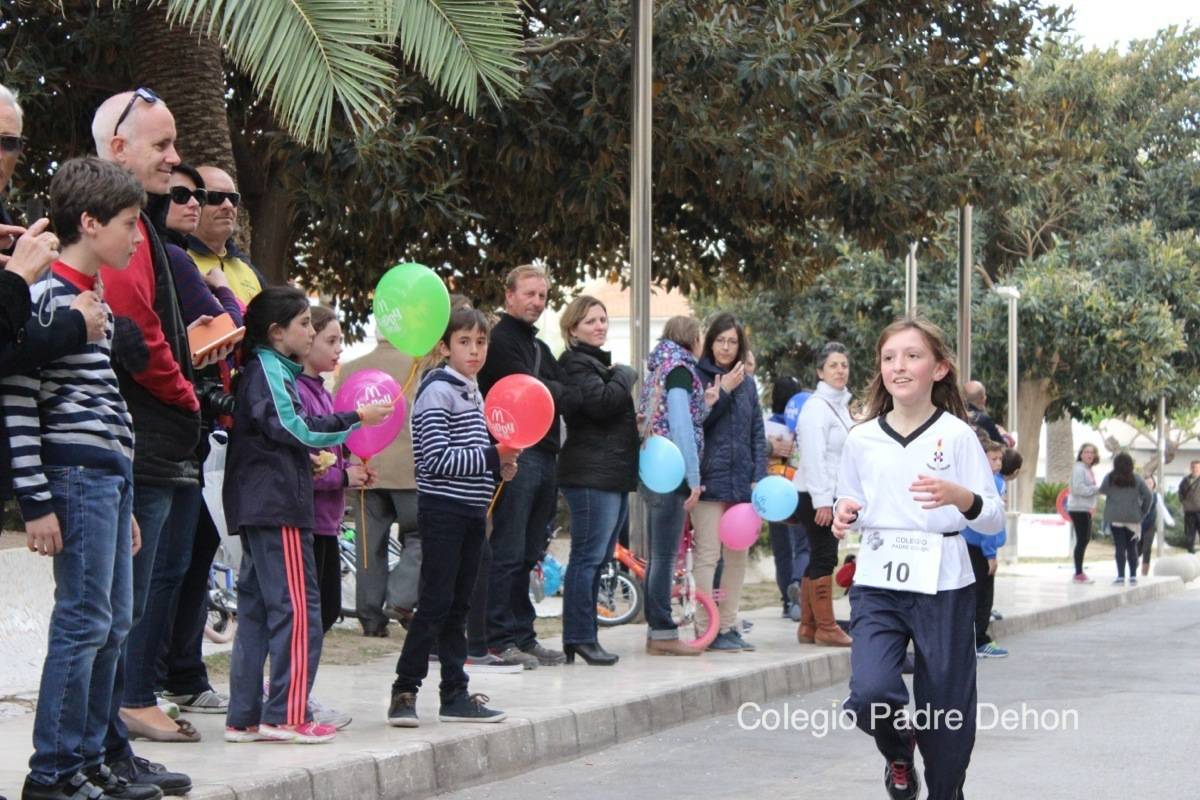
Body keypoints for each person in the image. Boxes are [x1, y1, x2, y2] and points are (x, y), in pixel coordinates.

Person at [3, 157, 158, 800]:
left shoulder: (98, 308)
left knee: (114, 621)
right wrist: (35, 498)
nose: (138, 238)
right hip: (73, 478)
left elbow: (107, 405)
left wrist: (124, 498)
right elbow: (16, 398)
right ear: (89, 223)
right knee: (83, 620)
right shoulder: (42, 297)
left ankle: (91, 758)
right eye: (129, 223)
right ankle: (54, 770)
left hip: (107, 479)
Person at [833, 316, 1004, 800]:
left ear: (940, 368)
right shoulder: (861, 438)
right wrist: (848, 512)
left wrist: (960, 496)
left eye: (912, 356)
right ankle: (898, 752)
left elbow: (992, 517)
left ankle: (945, 791)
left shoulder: (958, 435)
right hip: (878, 580)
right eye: (889, 358)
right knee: (869, 693)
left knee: (947, 715)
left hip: (944, 581)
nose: (899, 367)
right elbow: (851, 501)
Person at [222, 287, 391, 744]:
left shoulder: (269, 369)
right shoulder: (270, 371)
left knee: (258, 611)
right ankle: (287, 715)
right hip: (276, 505)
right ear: (277, 333)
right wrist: (355, 417)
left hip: (265, 503)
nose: (312, 332)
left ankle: (245, 717)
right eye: (304, 325)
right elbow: (292, 426)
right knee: (299, 613)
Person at [92, 87, 198, 795]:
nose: (174, 157)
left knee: (117, 610)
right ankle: (99, 746)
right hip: (140, 441)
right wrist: (186, 394)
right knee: (108, 615)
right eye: (161, 145)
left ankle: (108, 749)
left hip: (148, 440)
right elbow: (140, 334)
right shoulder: (117, 228)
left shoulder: (140, 225)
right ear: (119, 149)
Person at [388, 306, 517, 726]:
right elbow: (435, 459)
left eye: (481, 342)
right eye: (464, 342)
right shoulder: (437, 391)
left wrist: (500, 465)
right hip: (443, 509)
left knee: (459, 606)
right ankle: (404, 691)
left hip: (471, 511)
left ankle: (455, 693)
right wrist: (489, 456)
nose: (475, 350)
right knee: (435, 604)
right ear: (445, 347)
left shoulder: (472, 389)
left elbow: (475, 455)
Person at [154, 163, 240, 718]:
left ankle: (172, 674)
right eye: (189, 194)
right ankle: (165, 678)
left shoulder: (235, 265)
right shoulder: (174, 258)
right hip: (188, 430)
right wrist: (224, 297)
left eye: (230, 197)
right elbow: (233, 332)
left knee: (192, 561)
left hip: (224, 432)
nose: (217, 205)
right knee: (174, 565)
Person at [477, 264, 580, 667]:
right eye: (530, 294)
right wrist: (550, 391)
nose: (537, 302)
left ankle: (523, 634)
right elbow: (528, 392)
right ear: (509, 296)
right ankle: (499, 638)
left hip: (545, 454)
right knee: (508, 548)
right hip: (515, 455)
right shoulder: (500, 340)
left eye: (542, 296)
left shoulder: (539, 347)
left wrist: (550, 391)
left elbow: (564, 395)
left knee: (529, 552)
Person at [294, 305, 374, 731]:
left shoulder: (325, 391)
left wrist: (352, 471)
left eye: (341, 340)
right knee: (311, 616)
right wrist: (345, 473)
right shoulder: (302, 394)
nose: (338, 348)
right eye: (330, 339)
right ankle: (292, 695)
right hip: (309, 519)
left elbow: (334, 452)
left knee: (323, 615)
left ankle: (301, 693)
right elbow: (311, 464)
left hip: (327, 520)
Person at [556, 295, 638, 666]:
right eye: (590, 321)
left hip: (610, 473)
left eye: (603, 320)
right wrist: (625, 374)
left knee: (599, 557)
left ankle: (585, 635)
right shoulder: (575, 364)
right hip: (591, 475)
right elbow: (602, 403)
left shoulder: (595, 364)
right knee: (587, 558)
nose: (600, 326)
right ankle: (578, 636)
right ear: (573, 329)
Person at [334, 329, 427, 638]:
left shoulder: (350, 368)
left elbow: (338, 419)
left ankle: (371, 619)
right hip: (410, 472)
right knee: (420, 537)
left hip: (365, 468)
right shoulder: (420, 364)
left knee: (367, 548)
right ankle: (400, 597)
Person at [637, 316, 714, 656]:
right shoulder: (680, 369)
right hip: (672, 470)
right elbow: (682, 425)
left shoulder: (659, 366)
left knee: (658, 555)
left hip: (653, 465)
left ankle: (658, 630)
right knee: (665, 556)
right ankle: (663, 632)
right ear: (691, 338)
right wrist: (694, 479)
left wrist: (707, 404)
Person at [692, 313, 767, 652]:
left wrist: (759, 479)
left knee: (738, 556)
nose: (726, 347)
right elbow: (698, 423)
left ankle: (728, 625)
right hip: (709, 481)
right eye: (720, 340)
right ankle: (704, 628)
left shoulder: (749, 383)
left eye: (732, 341)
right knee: (708, 555)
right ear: (710, 343)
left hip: (741, 484)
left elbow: (757, 433)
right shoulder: (698, 376)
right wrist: (723, 391)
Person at [793, 342, 855, 647]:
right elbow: (814, 457)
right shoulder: (816, 407)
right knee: (825, 557)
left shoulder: (840, 405)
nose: (840, 370)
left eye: (844, 364)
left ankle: (809, 625)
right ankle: (826, 627)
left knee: (819, 555)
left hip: (831, 494)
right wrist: (823, 502)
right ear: (820, 371)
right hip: (817, 494)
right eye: (833, 365)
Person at [186, 165, 265, 306]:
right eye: (216, 197)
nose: (228, 205)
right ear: (192, 202)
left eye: (233, 199)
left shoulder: (247, 269)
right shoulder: (175, 259)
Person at [764, 376, 808, 620]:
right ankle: (797, 587)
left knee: (781, 550)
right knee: (802, 544)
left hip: (772, 492)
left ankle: (785, 600)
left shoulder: (766, 426)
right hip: (796, 489)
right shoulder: (801, 428)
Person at [962, 440, 1008, 658]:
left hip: (972, 544)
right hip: (979, 546)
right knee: (982, 596)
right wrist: (990, 554)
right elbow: (988, 521)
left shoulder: (993, 480)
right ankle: (979, 640)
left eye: (1000, 458)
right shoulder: (991, 484)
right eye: (993, 459)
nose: (998, 463)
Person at [1100, 452, 1153, 586]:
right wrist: (1143, 512)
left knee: (1119, 547)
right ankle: (1133, 576)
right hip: (1133, 517)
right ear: (1131, 464)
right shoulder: (1137, 479)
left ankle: (1120, 577)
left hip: (1115, 516)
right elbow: (1148, 496)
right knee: (1132, 547)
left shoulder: (1110, 478)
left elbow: (1102, 491)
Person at [1067, 443, 1101, 583]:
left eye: (1092, 452)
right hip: (1078, 508)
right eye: (1086, 452)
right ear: (1081, 454)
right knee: (1082, 540)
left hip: (1085, 508)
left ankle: (1079, 571)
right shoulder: (1079, 469)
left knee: (1084, 539)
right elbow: (1077, 488)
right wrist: (1095, 489)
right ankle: (1078, 573)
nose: (1089, 455)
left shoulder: (1087, 469)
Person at [1138, 475, 1174, 576]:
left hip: (1150, 526)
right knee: (1137, 550)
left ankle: (1144, 573)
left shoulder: (1156, 496)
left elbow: (1162, 509)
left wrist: (1169, 521)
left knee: (1147, 549)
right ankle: (1134, 562)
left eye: (1150, 483)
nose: (1148, 485)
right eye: (1146, 483)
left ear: (1153, 484)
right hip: (1137, 526)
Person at [963, 380, 1007, 445]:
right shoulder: (985, 420)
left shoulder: (956, 416)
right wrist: (1004, 435)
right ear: (984, 399)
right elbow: (1001, 447)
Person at [1177, 461, 1200, 554]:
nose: (1195, 469)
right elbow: (1180, 493)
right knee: (1189, 534)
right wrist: (1184, 503)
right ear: (1191, 468)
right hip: (1189, 511)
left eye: (1197, 467)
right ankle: (1191, 552)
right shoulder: (1185, 480)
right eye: (1193, 467)